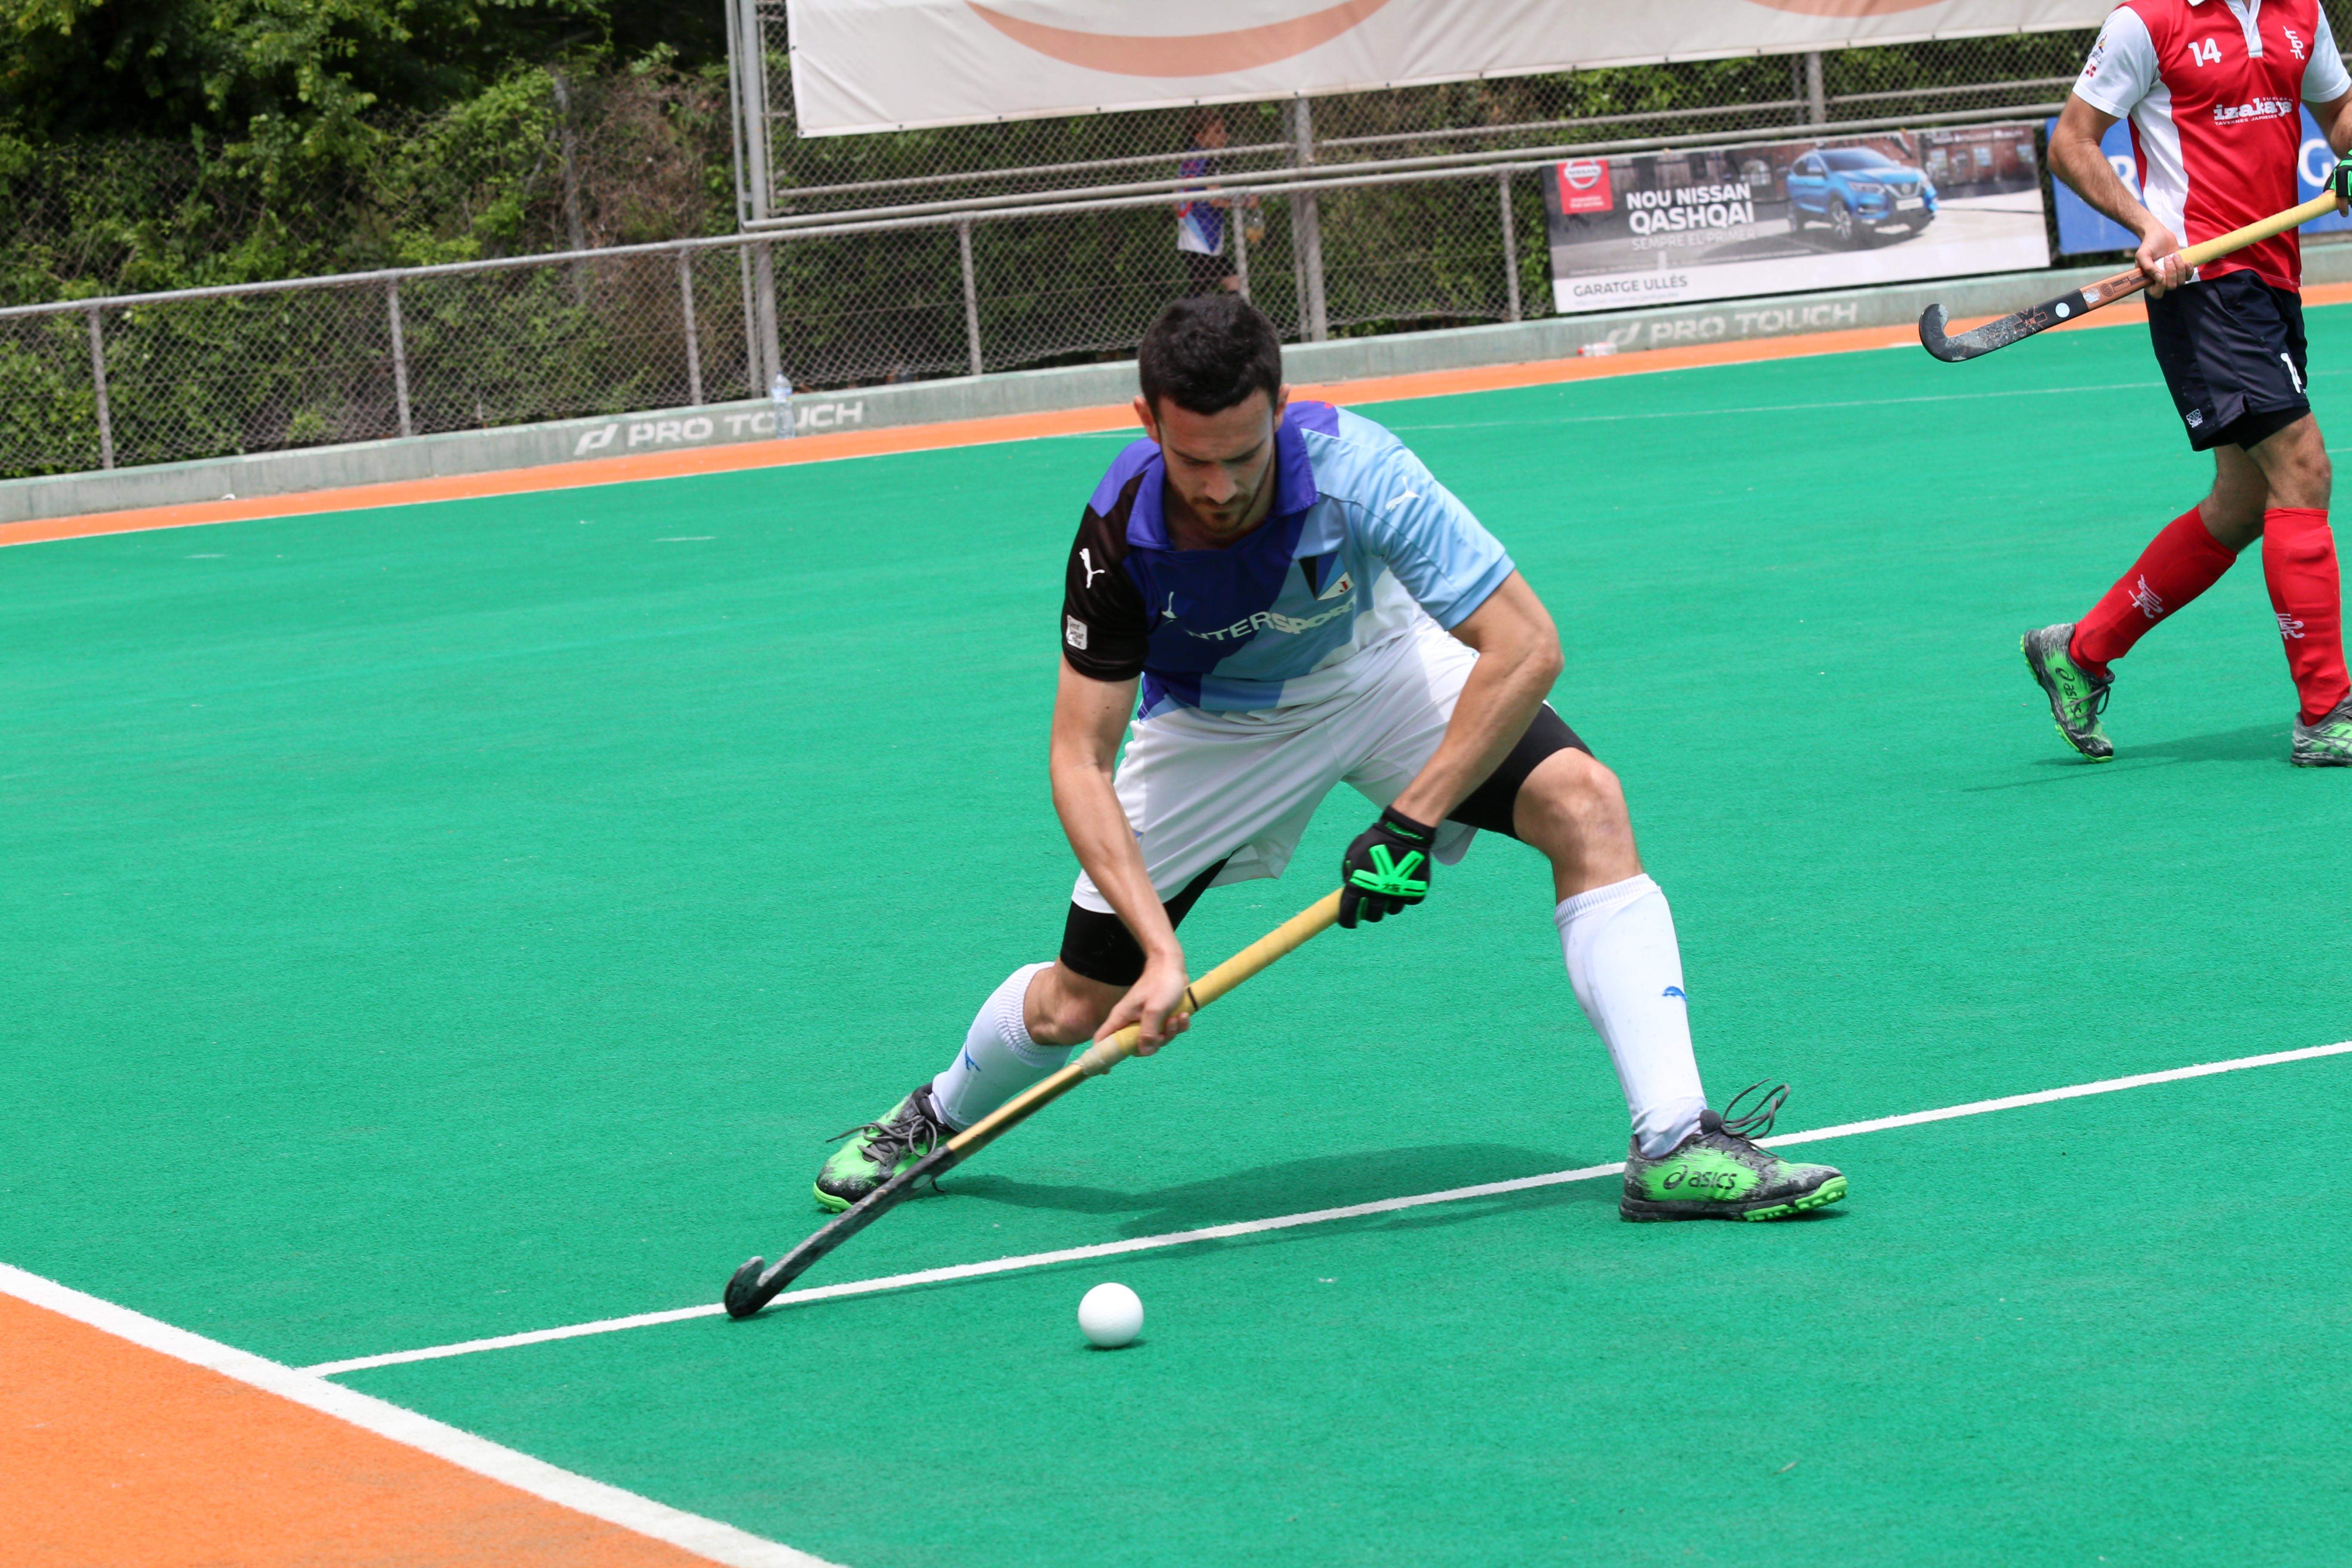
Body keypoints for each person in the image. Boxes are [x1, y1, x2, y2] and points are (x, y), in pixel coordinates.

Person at [813, 295, 1845, 1224]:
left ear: (1281, 410)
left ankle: (1670, 1140)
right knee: (1076, 1003)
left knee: (1584, 802)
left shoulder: (1360, 468)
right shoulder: (1118, 534)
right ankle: (936, 1114)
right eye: (1192, 460)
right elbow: (1078, 759)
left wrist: (1409, 820)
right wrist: (1160, 956)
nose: (1218, 487)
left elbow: (1526, 645)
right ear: (1146, 426)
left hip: (1378, 669)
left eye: (1244, 456)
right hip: (1214, 729)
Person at [2026, 0, 2352, 765]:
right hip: (2203, 284)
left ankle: (2078, 651)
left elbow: (2337, 112)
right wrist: (2145, 227)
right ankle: (2327, 711)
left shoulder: (2299, 11)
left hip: (2273, 274)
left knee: (2242, 503)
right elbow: (2071, 143)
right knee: (2303, 469)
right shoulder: (2149, 21)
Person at [1176, 110, 1238, 296]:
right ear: (1200, 137)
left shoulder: (1190, 159)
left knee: (1212, 285)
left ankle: (1225, 320)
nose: (1224, 136)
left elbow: (1176, 196)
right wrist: (1243, 200)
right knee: (1227, 282)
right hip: (1203, 236)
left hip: (1190, 233)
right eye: (1218, 132)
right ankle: (1232, 321)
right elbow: (1215, 198)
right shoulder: (1208, 161)